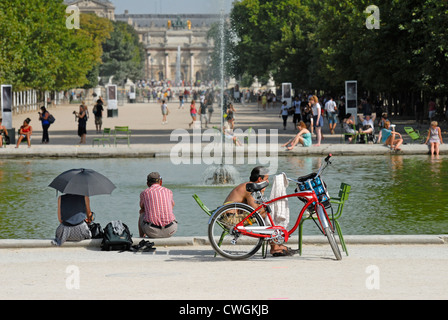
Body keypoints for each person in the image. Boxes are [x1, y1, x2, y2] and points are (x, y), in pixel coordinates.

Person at [223, 167, 296, 256]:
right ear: (260, 179)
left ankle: (276, 245)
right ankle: (275, 247)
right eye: (266, 179)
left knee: (268, 215)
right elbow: (255, 211)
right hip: (230, 220)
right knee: (269, 216)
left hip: (231, 216)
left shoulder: (248, 185)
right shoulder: (249, 188)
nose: (268, 182)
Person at [139, 172, 178, 238]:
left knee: (142, 212)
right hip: (171, 230)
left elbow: (142, 207)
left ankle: (142, 237)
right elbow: (172, 206)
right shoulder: (168, 191)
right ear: (161, 182)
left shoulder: (144, 193)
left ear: (147, 184)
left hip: (152, 232)